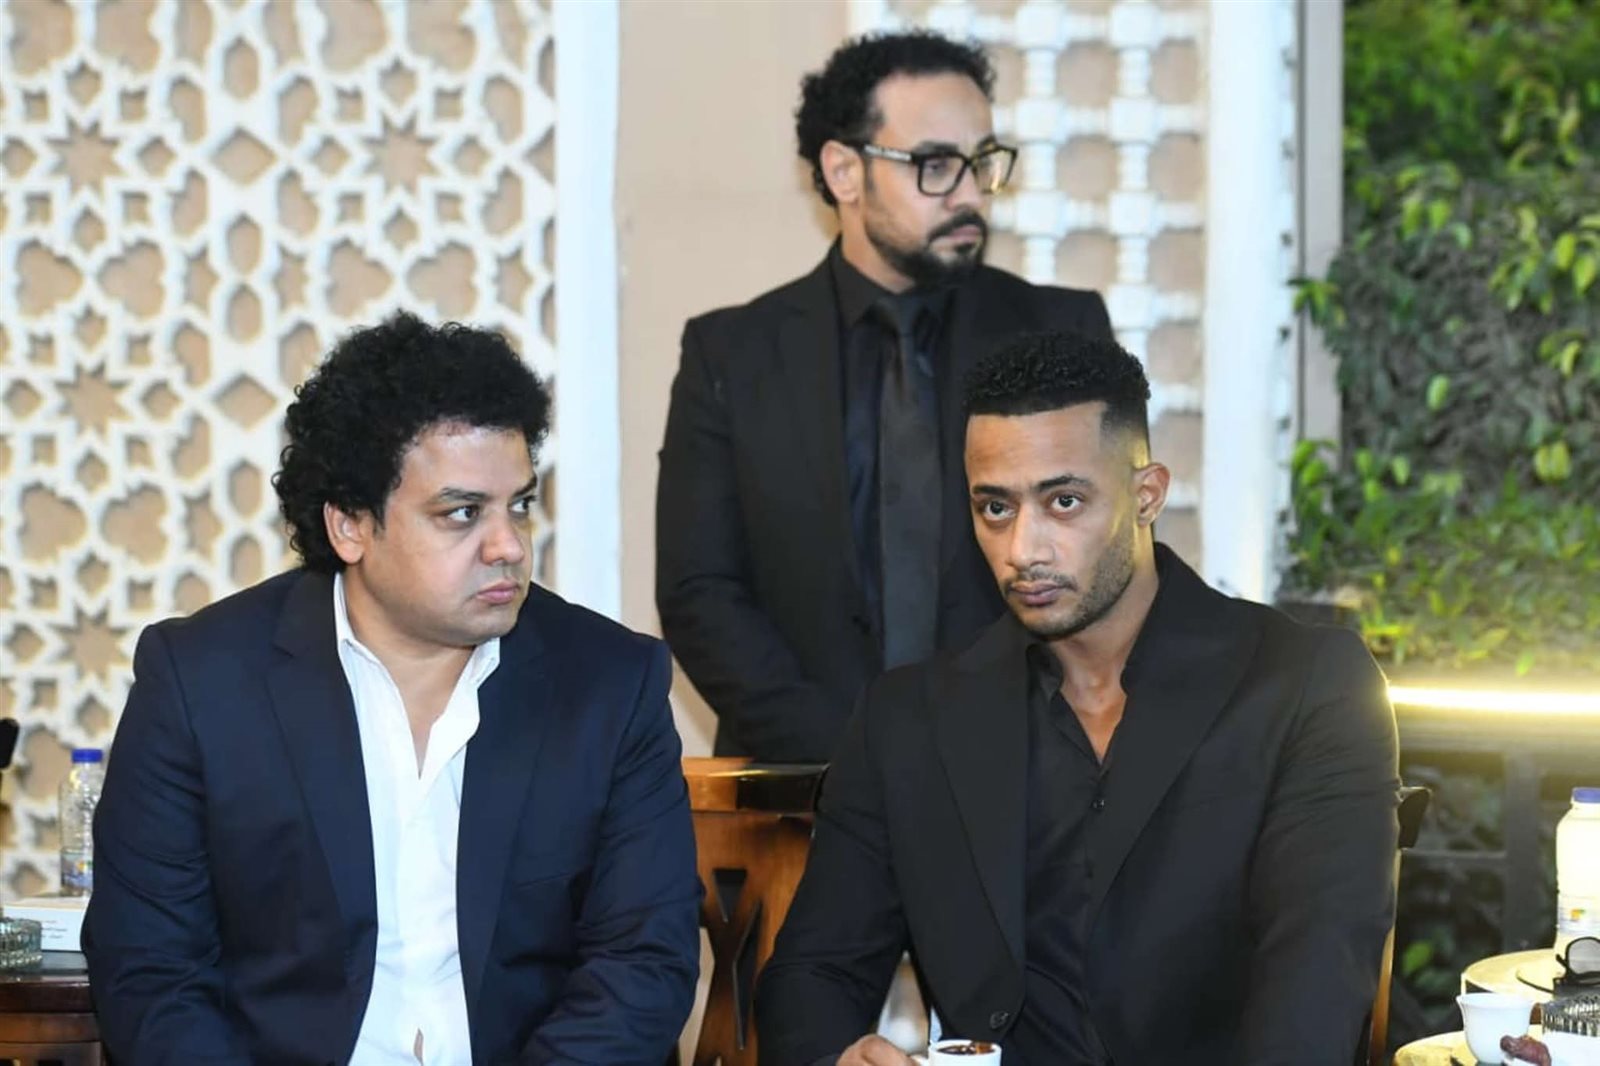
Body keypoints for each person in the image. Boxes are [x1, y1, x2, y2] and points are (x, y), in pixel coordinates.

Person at [756, 332, 1401, 1065]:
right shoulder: (906, 721)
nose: (1024, 549)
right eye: (994, 508)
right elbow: (812, 976)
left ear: (1147, 495)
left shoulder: (1305, 685)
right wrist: (841, 1057)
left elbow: (1312, 996)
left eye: (1063, 501)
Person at [84, 314, 700, 1065]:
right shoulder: (202, 682)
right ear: (350, 526)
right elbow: (151, 973)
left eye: (519, 505)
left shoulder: (609, 683)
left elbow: (642, 964)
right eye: (462, 513)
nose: (508, 545)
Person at [657, 31, 1113, 762]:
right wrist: (853, 759)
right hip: (804, 790)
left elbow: (1103, 561)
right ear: (844, 171)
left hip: (1027, 778)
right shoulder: (733, 355)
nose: (971, 194)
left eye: (981, 162)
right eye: (936, 165)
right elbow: (700, 592)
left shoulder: (1062, 331)